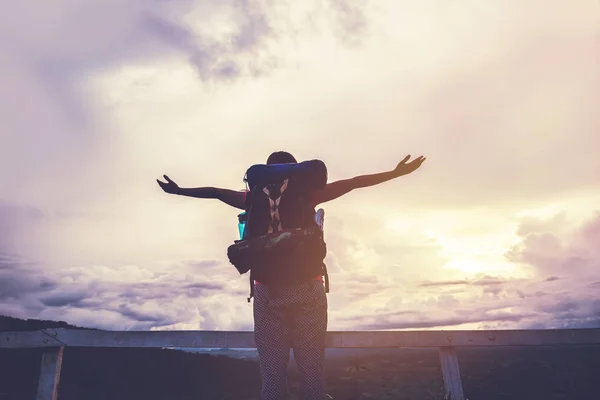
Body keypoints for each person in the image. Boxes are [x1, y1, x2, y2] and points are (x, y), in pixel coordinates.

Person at [157, 151, 425, 400]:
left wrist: (178, 190)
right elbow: (354, 182)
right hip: (309, 288)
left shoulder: (252, 198)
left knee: (272, 380)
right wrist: (395, 173)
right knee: (311, 377)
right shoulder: (308, 194)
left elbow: (215, 193)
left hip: (267, 291)